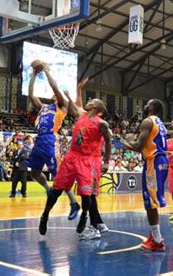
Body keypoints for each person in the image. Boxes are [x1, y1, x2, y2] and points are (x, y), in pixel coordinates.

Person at [38, 93, 111, 239]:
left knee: (87, 193)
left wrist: (107, 161)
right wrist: (68, 94)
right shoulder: (82, 114)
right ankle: (44, 215)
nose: (89, 101)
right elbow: (72, 104)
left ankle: (84, 216)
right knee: (56, 189)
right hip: (72, 156)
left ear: (96, 107)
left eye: (92, 101)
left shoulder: (102, 123)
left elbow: (108, 142)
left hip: (88, 159)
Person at [27, 62, 79, 219]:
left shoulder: (62, 106)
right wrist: (34, 75)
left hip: (50, 140)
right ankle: (48, 188)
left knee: (59, 174)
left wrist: (47, 71)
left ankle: (73, 202)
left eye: (56, 95)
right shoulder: (43, 107)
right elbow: (30, 95)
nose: (54, 95)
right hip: (39, 141)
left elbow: (55, 88)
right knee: (35, 173)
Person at [121, 99, 168, 252]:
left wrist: (124, 140)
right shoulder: (160, 123)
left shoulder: (148, 121)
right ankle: (155, 235)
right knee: (153, 200)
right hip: (161, 161)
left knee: (150, 202)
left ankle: (157, 241)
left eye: (148, 104)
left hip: (153, 162)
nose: (145, 106)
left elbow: (138, 146)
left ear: (152, 107)